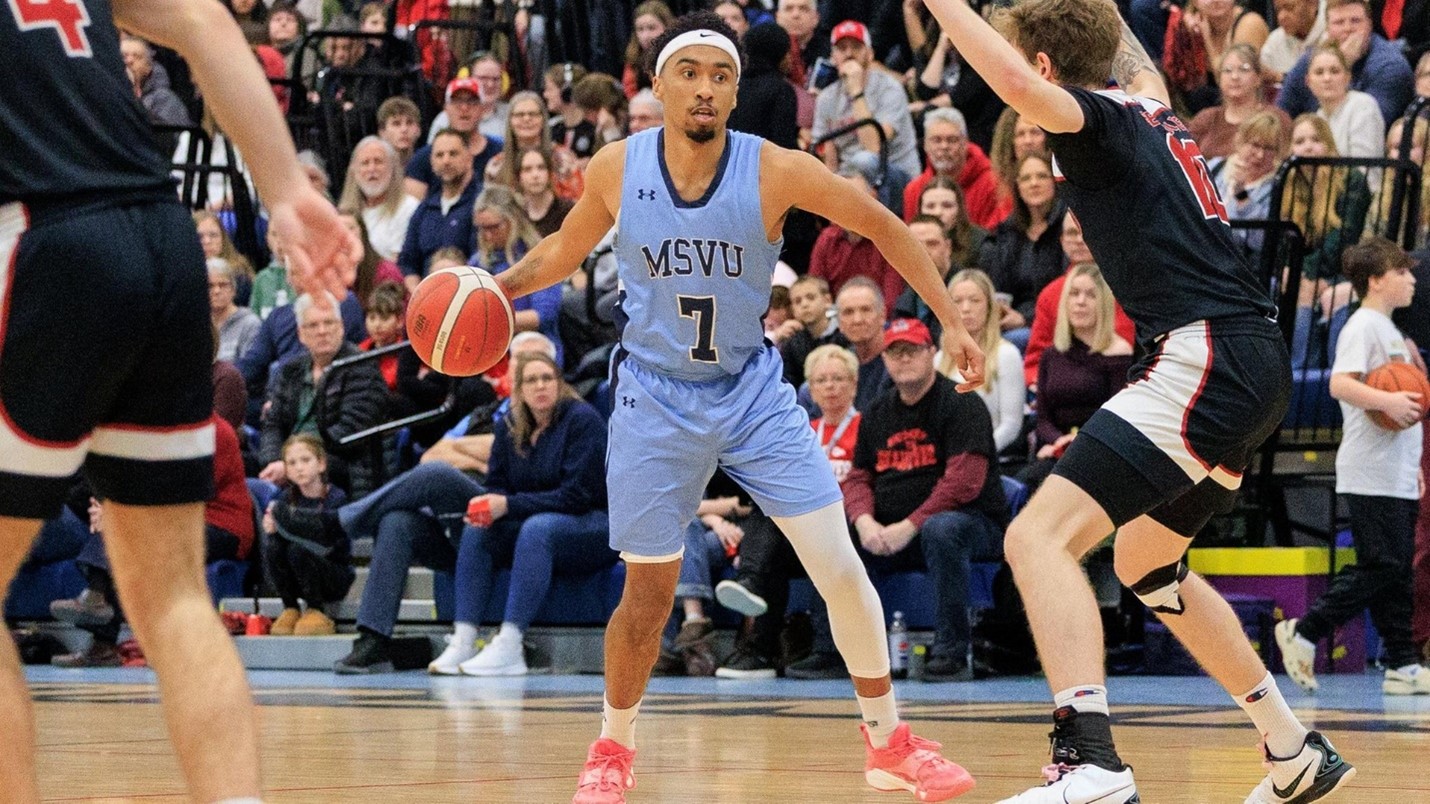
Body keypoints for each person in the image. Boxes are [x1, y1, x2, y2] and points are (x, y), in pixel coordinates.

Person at [492, 12, 983, 803]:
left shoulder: (775, 170)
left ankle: (889, 742)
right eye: (689, 72)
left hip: (750, 390)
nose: (706, 88)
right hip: (653, 394)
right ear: (657, 85)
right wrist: (499, 287)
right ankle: (613, 748)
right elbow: (565, 249)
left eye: (720, 76)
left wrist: (951, 320)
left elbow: (887, 226)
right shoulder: (617, 168)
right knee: (647, 596)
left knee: (838, 564)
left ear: (734, 90)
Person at [923, 0, 1354, 800]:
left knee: (1037, 540)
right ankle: (1292, 748)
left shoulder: (1091, 118)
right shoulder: (1151, 104)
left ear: (1047, 72)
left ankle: (1089, 759)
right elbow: (1117, 44)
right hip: (1247, 360)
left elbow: (1016, 76)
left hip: (1207, 352)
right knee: (1147, 564)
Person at [0, 0, 359, 794]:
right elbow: (203, 20)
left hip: (42, 232)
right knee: (170, 598)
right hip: (161, 237)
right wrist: (285, 190)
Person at [791, 318, 1008, 682]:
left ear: (932, 354)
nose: (903, 359)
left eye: (912, 350)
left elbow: (964, 483)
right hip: (892, 527)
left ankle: (951, 652)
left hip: (970, 522)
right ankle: (829, 650)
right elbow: (859, 477)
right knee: (829, 530)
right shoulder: (876, 411)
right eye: (895, 352)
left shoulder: (962, 403)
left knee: (943, 530)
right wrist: (863, 520)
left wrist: (911, 526)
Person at [1276, 237, 1428, 695]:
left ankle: (1402, 663)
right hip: (1369, 469)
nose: (1413, 279)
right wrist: (1387, 398)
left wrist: (1414, 461)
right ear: (1377, 280)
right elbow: (1341, 384)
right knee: (1381, 565)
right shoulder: (1362, 325)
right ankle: (1304, 631)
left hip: (1397, 468)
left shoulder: (1392, 333)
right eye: (1403, 272)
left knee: (1398, 569)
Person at [430, 352, 613, 676]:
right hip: (544, 519)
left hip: (595, 523)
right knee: (479, 528)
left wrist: (509, 506)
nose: (541, 386)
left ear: (559, 384)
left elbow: (578, 496)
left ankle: (511, 643)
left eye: (548, 378)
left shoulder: (582, 420)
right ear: (519, 389)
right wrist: (489, 507)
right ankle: (463, 639)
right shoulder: (509, 426)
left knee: (537, 528)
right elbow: (498, 485)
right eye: (532, 380)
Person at [257, 292, 389, 497]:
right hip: (292, 463)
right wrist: (276, 460)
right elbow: (273, 424)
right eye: (313, 325)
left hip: (343, 468)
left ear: (341, 327)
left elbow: (349, 432)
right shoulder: (291, 370)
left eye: (329, 323)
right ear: (301, 333)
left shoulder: (362, 366)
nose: (322, 331)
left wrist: (295, 464)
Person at [1020, 264, 1135, 492]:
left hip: (1100, 454)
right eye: (1074, 294)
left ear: (1103, 303)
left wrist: (1072, 445)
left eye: (1090, 295)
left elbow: (1115, 420)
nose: (1080, 301)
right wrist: (1058, 442)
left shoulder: (1118, 354)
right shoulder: (1051, 355)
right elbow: (1043, 419)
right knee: (1021, 487)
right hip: (1056, 451)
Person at [262, 434, 353, 636]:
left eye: (305, 460)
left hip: (332, 574)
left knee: (298, 549)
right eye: (292, 463)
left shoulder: (336, 497)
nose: (299, 468)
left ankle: (316, 609)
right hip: (299, 577)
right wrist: (272, 525)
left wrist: (290, 522)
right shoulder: (286, 499)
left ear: (321, 464)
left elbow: (330, 541)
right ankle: (290, 607)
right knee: (273, 545)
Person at [1277, 0, 1414, 125]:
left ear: (1370, 25)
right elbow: (1281, 115)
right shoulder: (1312, 59)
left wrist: (1343, 64)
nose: (1347, 29)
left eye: (1355, 21)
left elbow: (1364, 126)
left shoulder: (1390, 66)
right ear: (1327, 29)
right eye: (1339, 22)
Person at [938, 268, 1026, 455]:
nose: (966, 308)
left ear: (989, 307)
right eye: (957, 301)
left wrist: (975, 455)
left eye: (975, 300)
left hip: (988, 456)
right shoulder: (938, 360)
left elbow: (1010, 426)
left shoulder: (1006, 355)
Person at [978, 152, 1066, 336]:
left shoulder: (1068, 227)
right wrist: (1005, 313)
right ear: (1017, 186)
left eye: (1042, 176)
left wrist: (1025, 319)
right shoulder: (1008, 233)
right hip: (1012, 322)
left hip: (1059, 320)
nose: (1034, 183)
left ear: (1054, 181)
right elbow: (1000, 288)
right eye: (1026, 178)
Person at [903, 107, 1010, 229]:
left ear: (965, 143)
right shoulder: (913, 190)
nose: (944, 146)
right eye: (936, 140)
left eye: (952, 140)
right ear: (925, 145)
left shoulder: (995, 184)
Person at [396, 129, 480, 286]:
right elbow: (407, 262)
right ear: (432, 162)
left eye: (453, 154)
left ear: (469, 158)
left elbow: (483, 259)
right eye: (439, 155)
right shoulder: (424, 209)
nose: (446, 161)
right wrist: (419, 294)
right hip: (427, 296)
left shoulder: (482, 203)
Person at [1187, 44, 1294, 159]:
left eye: (1244, 69)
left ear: (1258, 78)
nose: (1234, 76)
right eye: (1227, 70)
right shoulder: (1205, 119)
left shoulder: (1276, 119)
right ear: (1219, 79)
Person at [338, 136, 420, 262]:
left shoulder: (408, 207)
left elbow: (400, 260)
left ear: (392, 168)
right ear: (354, 171)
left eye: (378, 162)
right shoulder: (345, 213)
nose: (372, 169)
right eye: (365, 163)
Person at [1305, 43, 1386, 158]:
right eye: (1319, 72)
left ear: (1348, 77)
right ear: (1308, 82)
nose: (1327, 78)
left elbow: (1364, 168)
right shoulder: (1318, 117)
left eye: (1334, 71)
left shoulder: (1363, 105)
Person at [917, 177, 988, 271]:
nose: (938, 212)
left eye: (947, 206)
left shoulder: (982, 245)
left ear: (959, 210)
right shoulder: (910, 242)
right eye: (930, 206)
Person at [210, 258, 261, 363]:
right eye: (210, 286)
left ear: (233, 289)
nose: (216, 291)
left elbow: (249, 366)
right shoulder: (196, 324)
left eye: (223, 285)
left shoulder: (250, 323)